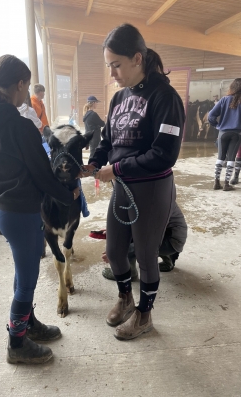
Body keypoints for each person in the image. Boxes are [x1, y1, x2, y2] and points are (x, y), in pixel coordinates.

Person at [0, 54, 80, 365]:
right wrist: (68, 193)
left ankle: (28, 323)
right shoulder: (20, 126)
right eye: (27, 85)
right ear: (19, 85)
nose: (27, 91)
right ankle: (17, 344)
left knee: (26, 268)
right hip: (21, 210)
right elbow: (42, 174)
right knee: (28, 275)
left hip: (5, 208)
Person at [81, 23, 185, 341]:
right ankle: (125, 298)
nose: (112, 73)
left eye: (116, 65)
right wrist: (95, 162)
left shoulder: (165, 97)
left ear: (137, 58)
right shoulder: (118, 99)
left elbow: (164, 155)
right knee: (114, 251)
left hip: (152, 188)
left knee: (144, 254)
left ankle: (145, 314)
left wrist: (118, 169)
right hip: (123, 187)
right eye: (108, 65)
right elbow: (108, 140)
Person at [101, 201, 188, 279]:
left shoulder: (148, 202)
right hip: (175, 238)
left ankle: (128, 273)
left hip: (169, 242)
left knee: (128, 247)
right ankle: (168, 262)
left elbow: (141, 233)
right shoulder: (159, 193)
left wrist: (116, 252)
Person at [209, 78, 241, 191]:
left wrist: (217, 126)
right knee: (232, 158)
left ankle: (216, 183)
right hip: (237, 133)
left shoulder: (224, 100)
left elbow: (211, 116)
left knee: (220, 158)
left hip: (223, 132)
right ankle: (227, 184)